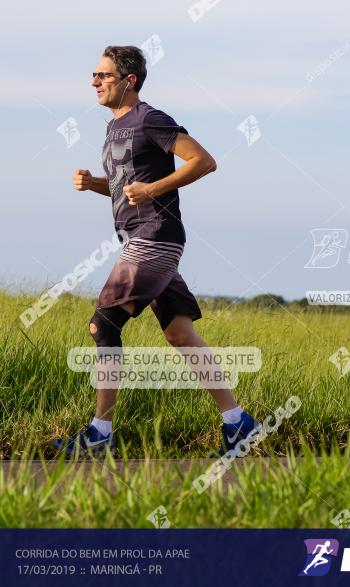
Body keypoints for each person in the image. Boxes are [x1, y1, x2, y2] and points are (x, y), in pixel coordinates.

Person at [54, 45, 256, 456]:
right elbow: (125, 187)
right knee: (180, 334)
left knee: (103, 326)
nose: (94, 82)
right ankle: (239, 424)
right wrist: (95, 182)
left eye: (103, 76)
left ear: (129, 81)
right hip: (143, 238)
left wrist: (153, 189)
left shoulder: (151, 119)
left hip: (154, 236)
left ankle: (99, 434)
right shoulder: (113, 128)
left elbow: (204, 161)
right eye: (93, 75)